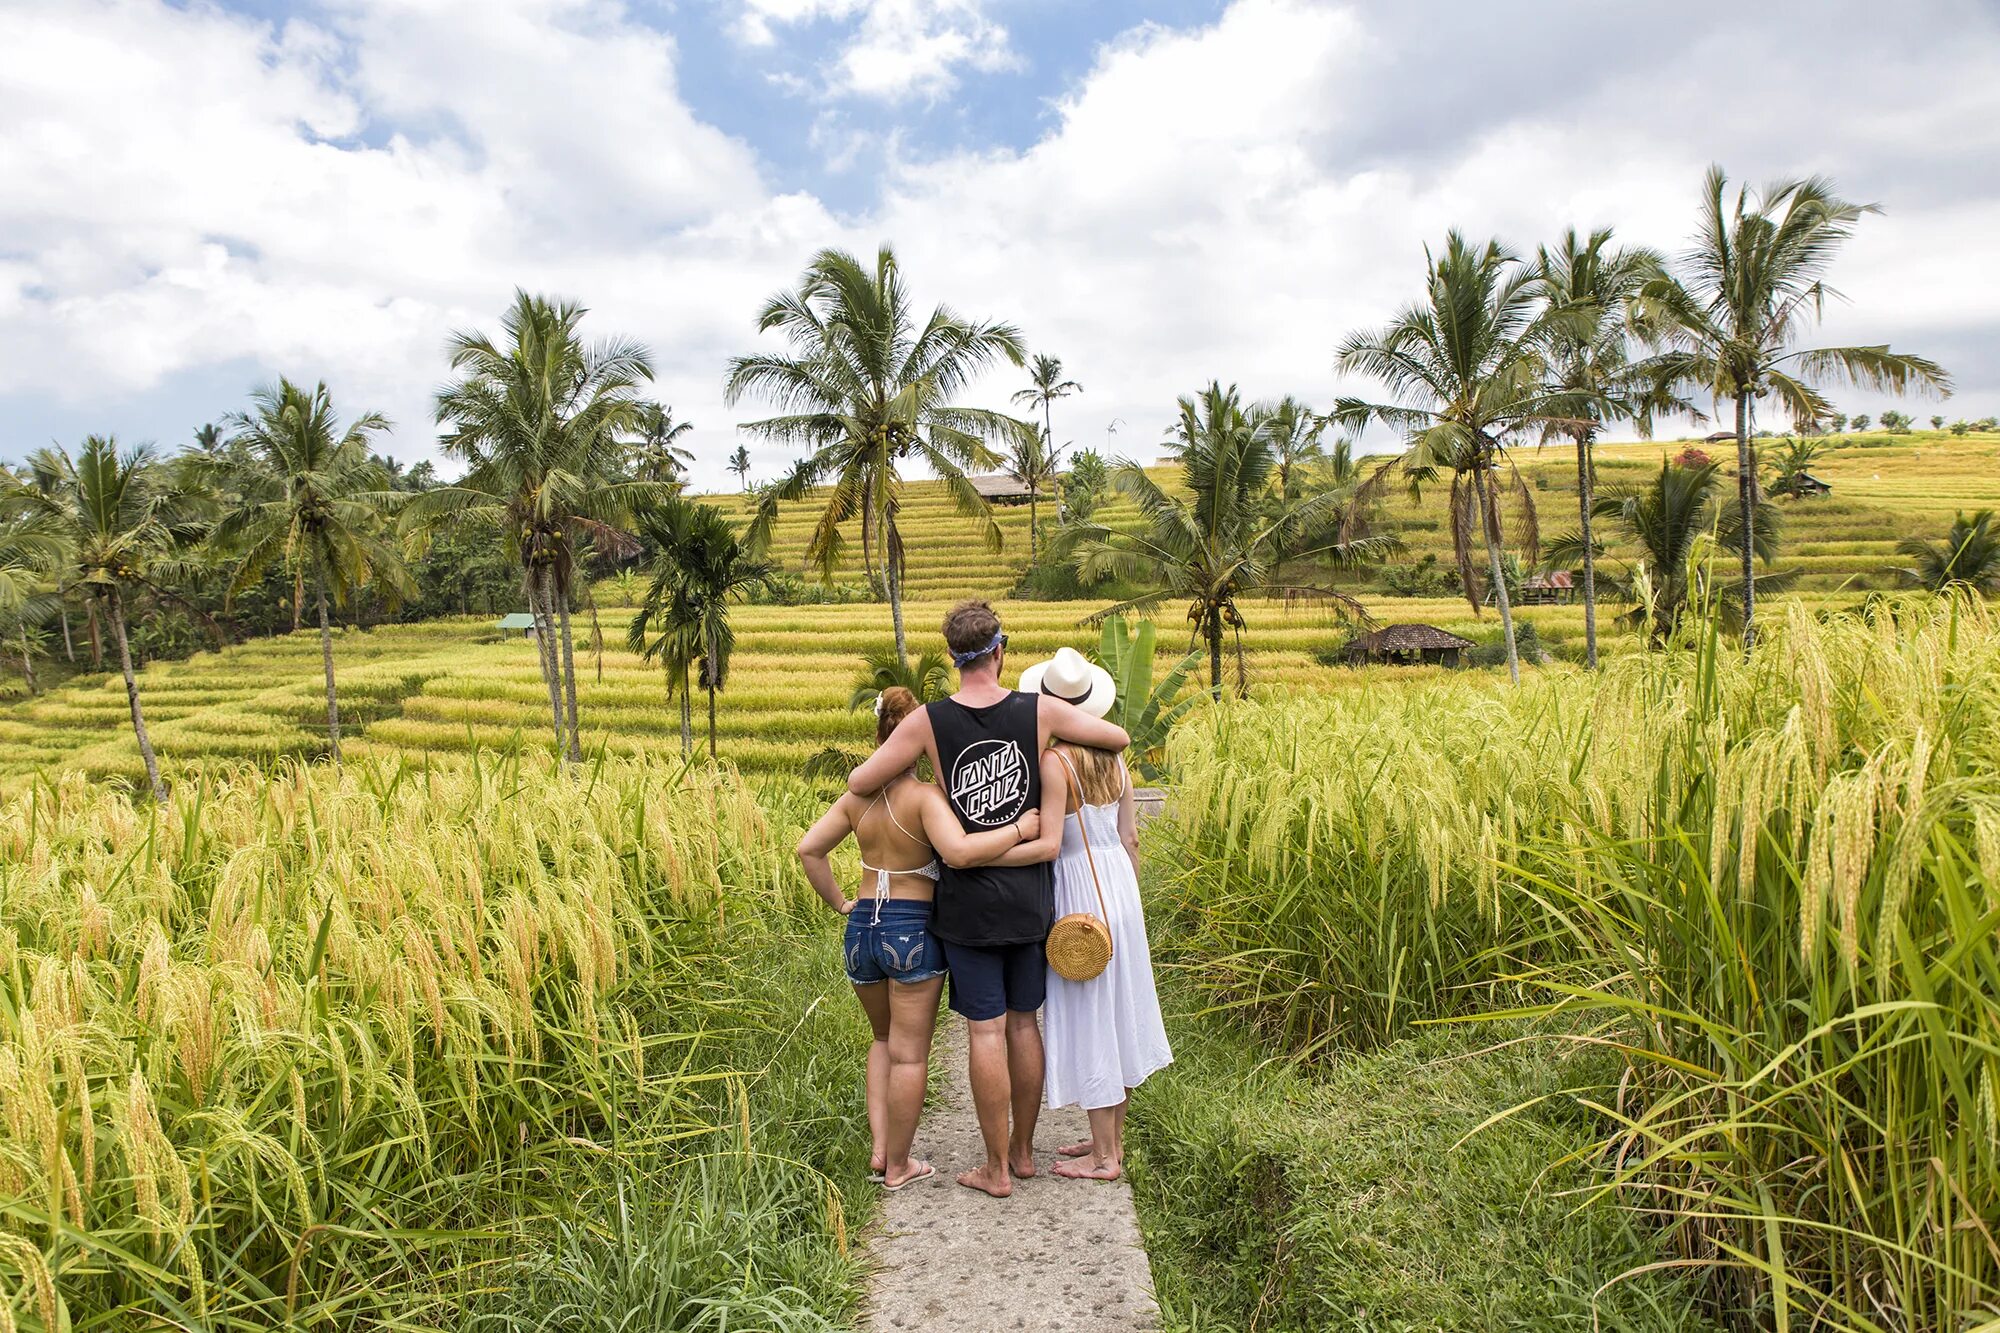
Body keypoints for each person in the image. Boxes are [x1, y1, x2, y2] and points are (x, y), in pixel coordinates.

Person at [848, 601, 1131, 1198]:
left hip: (966, 901)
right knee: (1025, 1023)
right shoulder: (1040, 711)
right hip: (1031, 896)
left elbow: (859, 781)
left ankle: (995, 1169)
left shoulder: (928, 721)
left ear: (953, 658)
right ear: (1000, 650)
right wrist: (1053, 756)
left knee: (985, 1030)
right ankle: (1025, 1153)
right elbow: (1118, 736)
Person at [798, 686, 1045, 1191]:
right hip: (910, 926)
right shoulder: (926, 797)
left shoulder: (855, 800)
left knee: (883, 1040)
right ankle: (899, 1167)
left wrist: (842, 902)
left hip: (861, 926)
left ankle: (881, 1148)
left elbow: (808, 851)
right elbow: (960, 852)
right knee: (910, 1053)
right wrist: (1020, 830)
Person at [1017, 647, 1173, 1181]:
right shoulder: (1116, 760)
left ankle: (1106, 1158)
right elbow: (1131, 837)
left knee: (1091, 1013)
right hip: (1120, 889)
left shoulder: (1055, 763)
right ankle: (1110, 1140)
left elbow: (1050, 844)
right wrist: (1128, 895)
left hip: (1081, 886)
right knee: (1120, 1008)